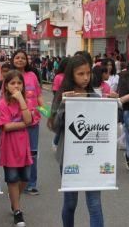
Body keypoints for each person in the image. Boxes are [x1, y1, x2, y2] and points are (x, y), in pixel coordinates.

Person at [49, 55, 104, 227]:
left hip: (93, 158)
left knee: (95, 205)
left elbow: (106, 124)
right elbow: (55, 126)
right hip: (69, 158)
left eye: (88, 73)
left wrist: (114, 104)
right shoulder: (63, 95)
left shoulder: (95, 97)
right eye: (80, 73)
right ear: (71, 74)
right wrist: (64, 105)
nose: (86, 77)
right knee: (70, 203)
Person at [0, 70, 33, 227]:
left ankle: (14, 200)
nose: (16, 86)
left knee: (25, 178)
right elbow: (6, 126)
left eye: (19, 83)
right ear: (6, 86)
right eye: (12, 83)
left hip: (23, 147)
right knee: (12, 179)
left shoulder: (26, 101)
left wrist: (21, 100)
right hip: (9, 148)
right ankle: (17, 211)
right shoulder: (2, 103)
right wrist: (25, 124)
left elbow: (29, 119)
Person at [11, 50, 45, 195]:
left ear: (27, 60)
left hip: (33, 122)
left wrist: (46, 113)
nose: (20, 60)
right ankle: (17, 183)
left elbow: (39, 97)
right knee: (17, 154)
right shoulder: (9, 77)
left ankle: (31, 184)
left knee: (32, 153)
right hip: (15, 122)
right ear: (13, 60)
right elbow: (3, 99)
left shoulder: (32, 76)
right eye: (17, 58)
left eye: (23, 58)